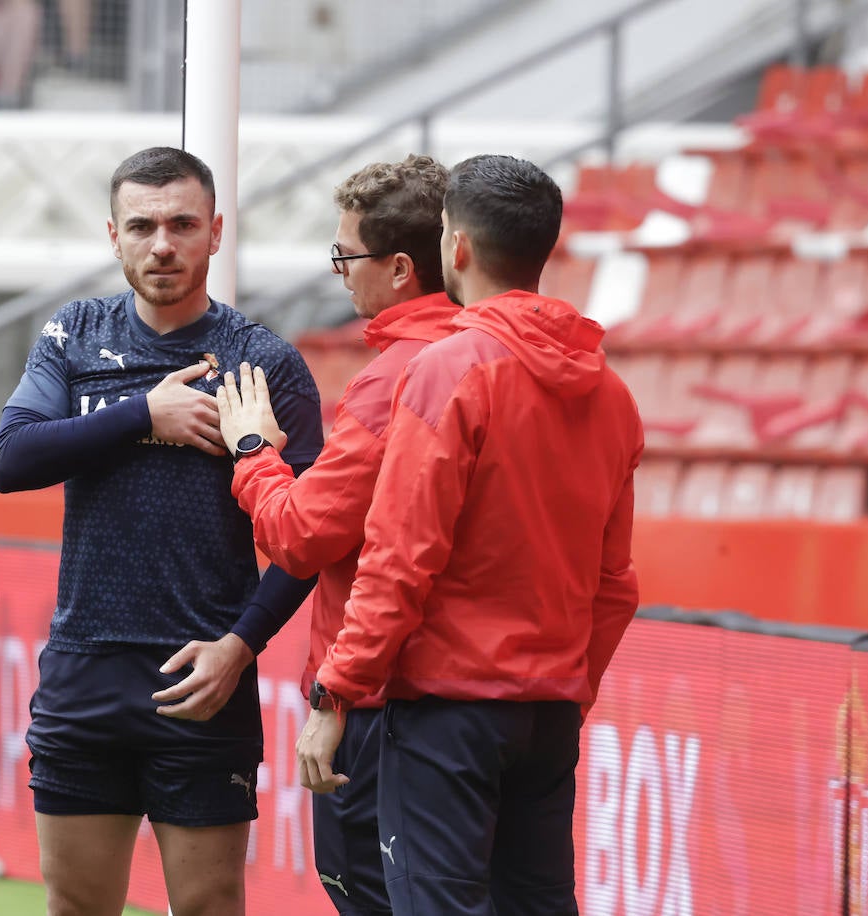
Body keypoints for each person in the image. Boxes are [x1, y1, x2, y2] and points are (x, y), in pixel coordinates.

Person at [296, 154, 643, 915]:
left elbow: (400, 557)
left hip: (448, 716)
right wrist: (566, 694)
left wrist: (336, 696)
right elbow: (614, 585)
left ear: (454, 247)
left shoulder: (449, 369)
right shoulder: (612, 393)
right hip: (547, 713)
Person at [0, 146, 324, 916]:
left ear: (216, 233)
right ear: (114, 235)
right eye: (142, 226)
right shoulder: (74, 334)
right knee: (75, 907)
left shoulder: (263, 361)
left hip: (201, 681)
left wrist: (242, 647)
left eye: (181, 224)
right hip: (83, 677)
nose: (162, 243)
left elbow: (312, 535)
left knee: (209, 908)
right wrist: (145, 414)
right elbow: (9, 459)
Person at [214, 153, 456, 915]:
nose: (339, 274)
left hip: (392, 699)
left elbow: (305, 535)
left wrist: (253, 451)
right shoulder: (507, 359)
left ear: (400, 269)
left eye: (345, 256)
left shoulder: (396, 379)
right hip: (506, 704)